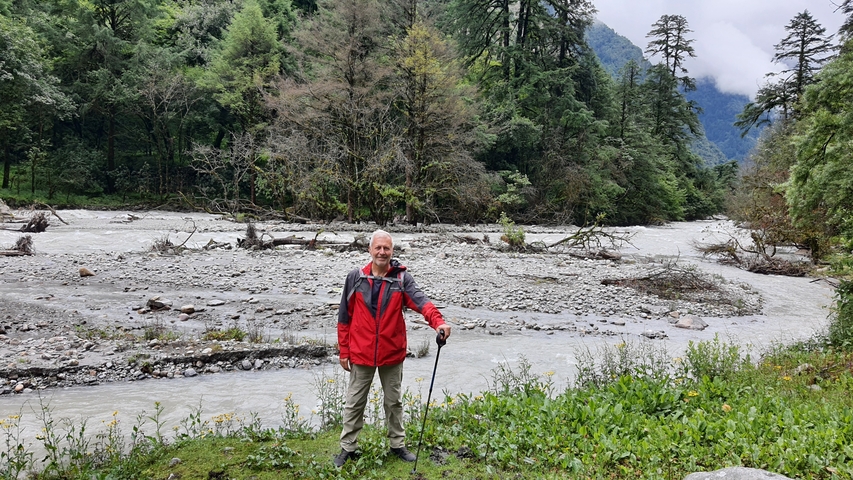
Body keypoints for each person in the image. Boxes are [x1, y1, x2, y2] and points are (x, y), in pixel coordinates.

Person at [334, 229, 451, 467]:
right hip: (361, 352)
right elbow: (344, 317)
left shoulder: (401, 279)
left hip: (391, 352)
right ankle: (348, 448)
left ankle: (397, 444)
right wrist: (344, 351)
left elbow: (421, 302)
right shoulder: (355, 278)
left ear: (392, 251)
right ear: (370, 250)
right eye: (378, 247)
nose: (382, 252)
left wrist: (439, 322)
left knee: (393, 401)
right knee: (355, 401)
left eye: (386, 248)